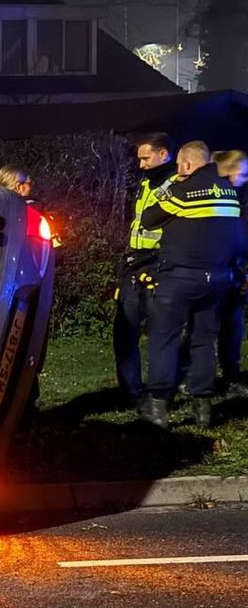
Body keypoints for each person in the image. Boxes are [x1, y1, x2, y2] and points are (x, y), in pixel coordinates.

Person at [140, 141, 243, 429]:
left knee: (165, 338)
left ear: (186, 165)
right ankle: (203, 406)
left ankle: (158, 406)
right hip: (218, 279)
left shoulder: (182, 191)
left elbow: (149, 219)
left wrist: (170, 185)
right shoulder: (230, 192)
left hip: (180, 278)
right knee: (204, 340)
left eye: (178, 166)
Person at [113, 133, 177, 404]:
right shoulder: (146, 182)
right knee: (124, 331)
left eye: (145, 157)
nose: (140, 164)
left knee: (161, 334)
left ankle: (160, 393)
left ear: (163, 154)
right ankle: (131, 393)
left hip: (159, 265)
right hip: (133, 263)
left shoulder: (177, 184)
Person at [214, 149, 248, 396]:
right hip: (215, 274)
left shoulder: (237, 198)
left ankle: (231, 376)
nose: (245, 178)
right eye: (243, 172)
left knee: (232, 328)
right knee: (204, 329)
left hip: (232, 274)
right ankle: (187, 375)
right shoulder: (219, 197)